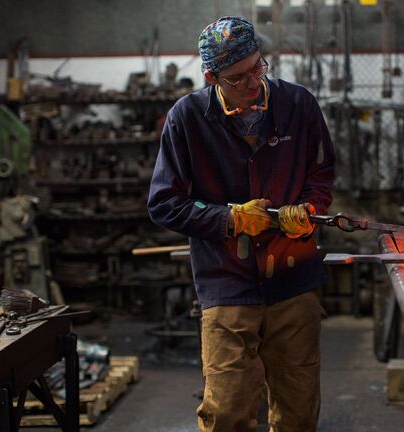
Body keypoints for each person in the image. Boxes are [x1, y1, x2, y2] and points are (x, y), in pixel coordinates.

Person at [147, 16, 335, 432]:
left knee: (299, 410)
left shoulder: (298, 105)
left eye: (258, 68)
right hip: (226, 283)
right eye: (238, 77)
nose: (253, 82)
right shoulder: (187, 119)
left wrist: (307, 210)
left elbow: (321, 173)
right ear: (211, 77)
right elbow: (163, 203)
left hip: (292, 279)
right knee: (227, 413)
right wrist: (228, 219)